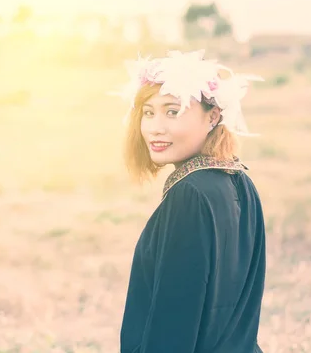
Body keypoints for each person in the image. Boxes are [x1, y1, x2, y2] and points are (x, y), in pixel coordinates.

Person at [114, 50, 267, 353]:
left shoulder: (190, 196)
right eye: (148, 112)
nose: (156, 127)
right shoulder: (240, 182)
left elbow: (173, 322)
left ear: (213, 117)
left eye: (173, 112)